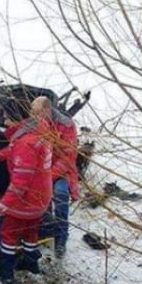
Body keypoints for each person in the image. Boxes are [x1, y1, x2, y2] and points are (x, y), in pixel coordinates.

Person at [0, 96, 54, 280]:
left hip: (26, 199)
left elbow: (21, 180)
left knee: (9, 232)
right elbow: (16, 149)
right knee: (31, 230)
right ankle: (31, 263)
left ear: (17, 119)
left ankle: (5, 272)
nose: (4, 121)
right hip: (41, 197)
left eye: (6, 117)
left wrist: (6, 203)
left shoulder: (26, 142)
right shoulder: (38, 132)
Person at [48, 108, 80, 259]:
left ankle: (61, 238)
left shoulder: (67, 126)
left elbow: (67, 158)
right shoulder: (38, 123)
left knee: (60, 196)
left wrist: (48, 176)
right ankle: (44, 229)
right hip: (44, 170)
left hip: (62, 172)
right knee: (41, 199)